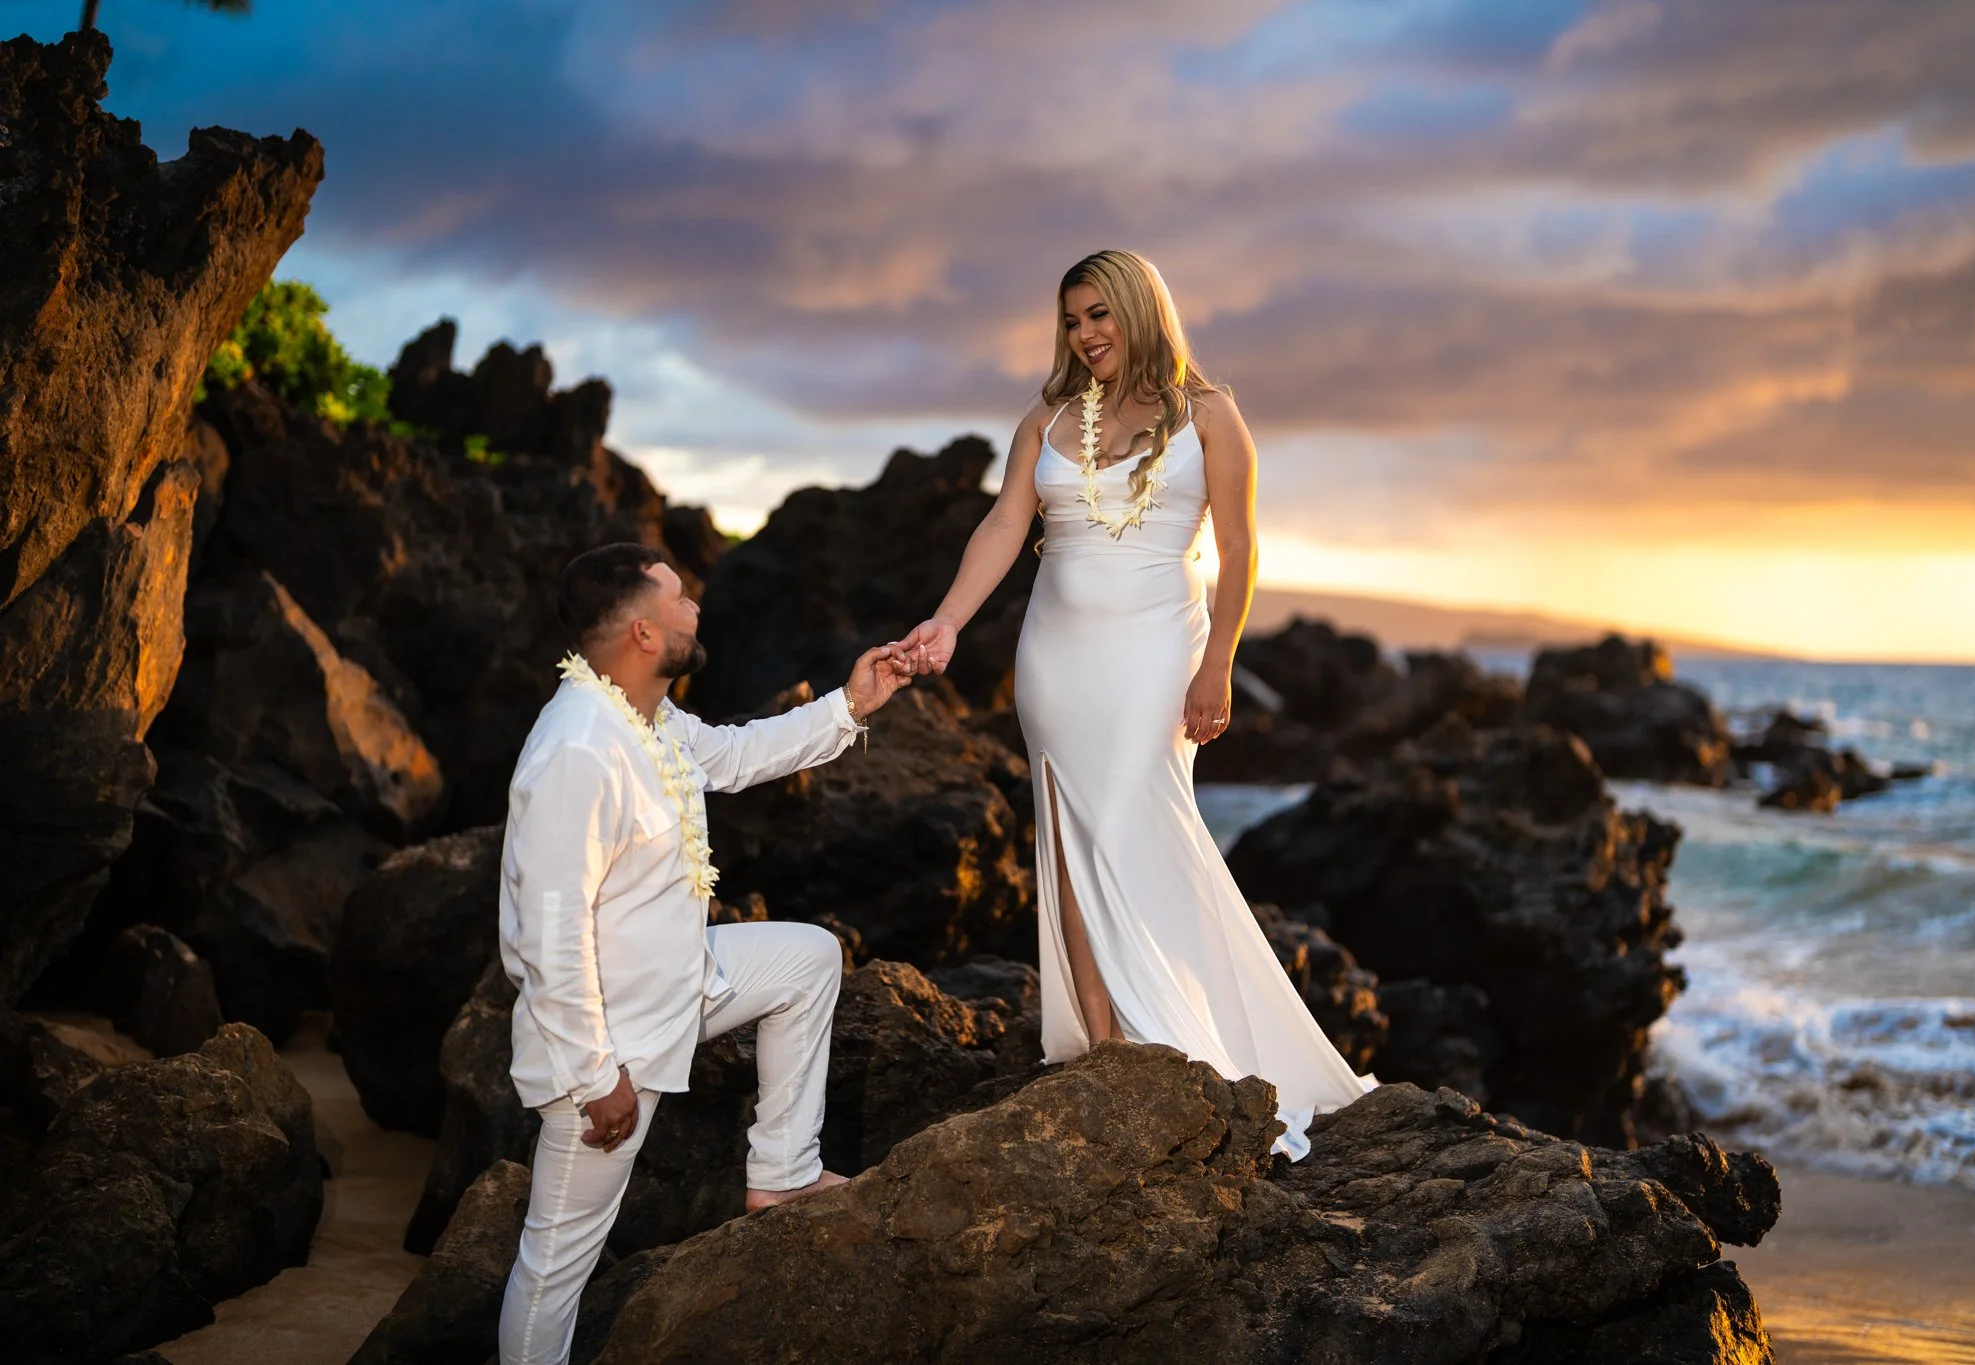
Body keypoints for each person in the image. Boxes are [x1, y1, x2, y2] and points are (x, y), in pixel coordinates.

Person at [898, 249, 1374, 1159]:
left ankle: (1185, 1032)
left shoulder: (1211, 415)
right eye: (1072, 320)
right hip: (1055, 651)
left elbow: (1238, 549)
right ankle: (1103, 1039)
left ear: (1141, 311)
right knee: (1070, 829)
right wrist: (949, 622)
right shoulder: (1046, 417)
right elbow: (1005, 523)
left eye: (1100, 315)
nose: (1085, 334)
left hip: (1162, 643)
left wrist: (1219, 667)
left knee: (1126, 813)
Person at [497, 543, 912, 1365]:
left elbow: (738, 754)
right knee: (554, 1260)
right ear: (644, 632)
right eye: (679, 600)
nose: (697, 609)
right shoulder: (577, 748)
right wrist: (593, 1073)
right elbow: (546, 932)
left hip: (684, 985)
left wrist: (850, 706)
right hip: (612, 1044)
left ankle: (783, 1170)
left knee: (807, 959)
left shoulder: (650, 718)